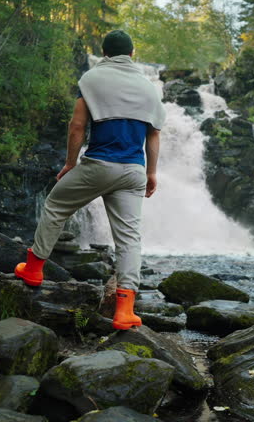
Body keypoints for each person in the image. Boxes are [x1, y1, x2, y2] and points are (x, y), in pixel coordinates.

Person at [14, 30, 165, 330]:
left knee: (56, 205)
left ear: (105, 53)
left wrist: (71, 163)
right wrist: (150, 173)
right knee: (129, 239)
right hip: (133, 171)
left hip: (99, 165)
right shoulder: (149, 88)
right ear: (132, 53)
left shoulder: (92, 79)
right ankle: (125, 309)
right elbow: (154, 134)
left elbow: (77, 126)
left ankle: (33, 269)